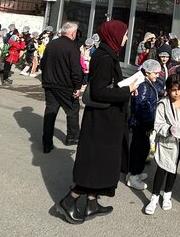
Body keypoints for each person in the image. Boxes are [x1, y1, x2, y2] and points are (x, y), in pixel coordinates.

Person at [52, 20, 139, 224]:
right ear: (115, 35)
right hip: (102, 122)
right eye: (125, 34)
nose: (126, 38)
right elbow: (100, 91)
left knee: (99, 164)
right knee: (96, 164)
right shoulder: (105, 58)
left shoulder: (106, 54)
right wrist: (127, 90)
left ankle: (91, 204)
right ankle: (68, 201)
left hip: (104, 120)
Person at [145, 74, 180, 215]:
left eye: (179, 89)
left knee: (173, 170)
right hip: (167, 143)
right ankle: (154, 197)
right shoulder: (163, 104)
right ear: (168, 90)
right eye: (173, 90)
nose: (177, 93)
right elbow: (158, 124)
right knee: (162, 169)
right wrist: (169, 129)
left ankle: (167, 195)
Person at [40, 22, 84, 152]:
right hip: (65, 86)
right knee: (72, 110)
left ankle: (46, 144)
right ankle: (72, 137)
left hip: (50, 83)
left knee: (50, 112)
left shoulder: (51, 44)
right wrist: (77, 86)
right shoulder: (72, 47)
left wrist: (47, 78)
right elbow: (76, 69)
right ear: (72, 33)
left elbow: (43, 63)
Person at [127, 59, 164, 190]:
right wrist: (148, 125)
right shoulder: (143, 85)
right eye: (155, 73)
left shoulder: (145, 82)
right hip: (142, 124)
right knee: (142, 149)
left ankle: (132, 172)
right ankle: (134, 176)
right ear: (147, 72)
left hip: (140, 123)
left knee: (137, 147)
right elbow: (141, 106)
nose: (157, 75)